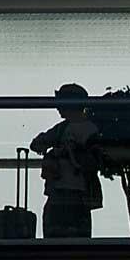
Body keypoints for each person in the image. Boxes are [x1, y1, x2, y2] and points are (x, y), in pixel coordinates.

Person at [28, 82, 104, 239]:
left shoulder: (89, 130)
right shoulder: (62, 129)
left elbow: (95, 162)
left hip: (76, 195)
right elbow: (36, 144)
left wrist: (71, 151)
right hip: (61, 194)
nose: (58, 107)